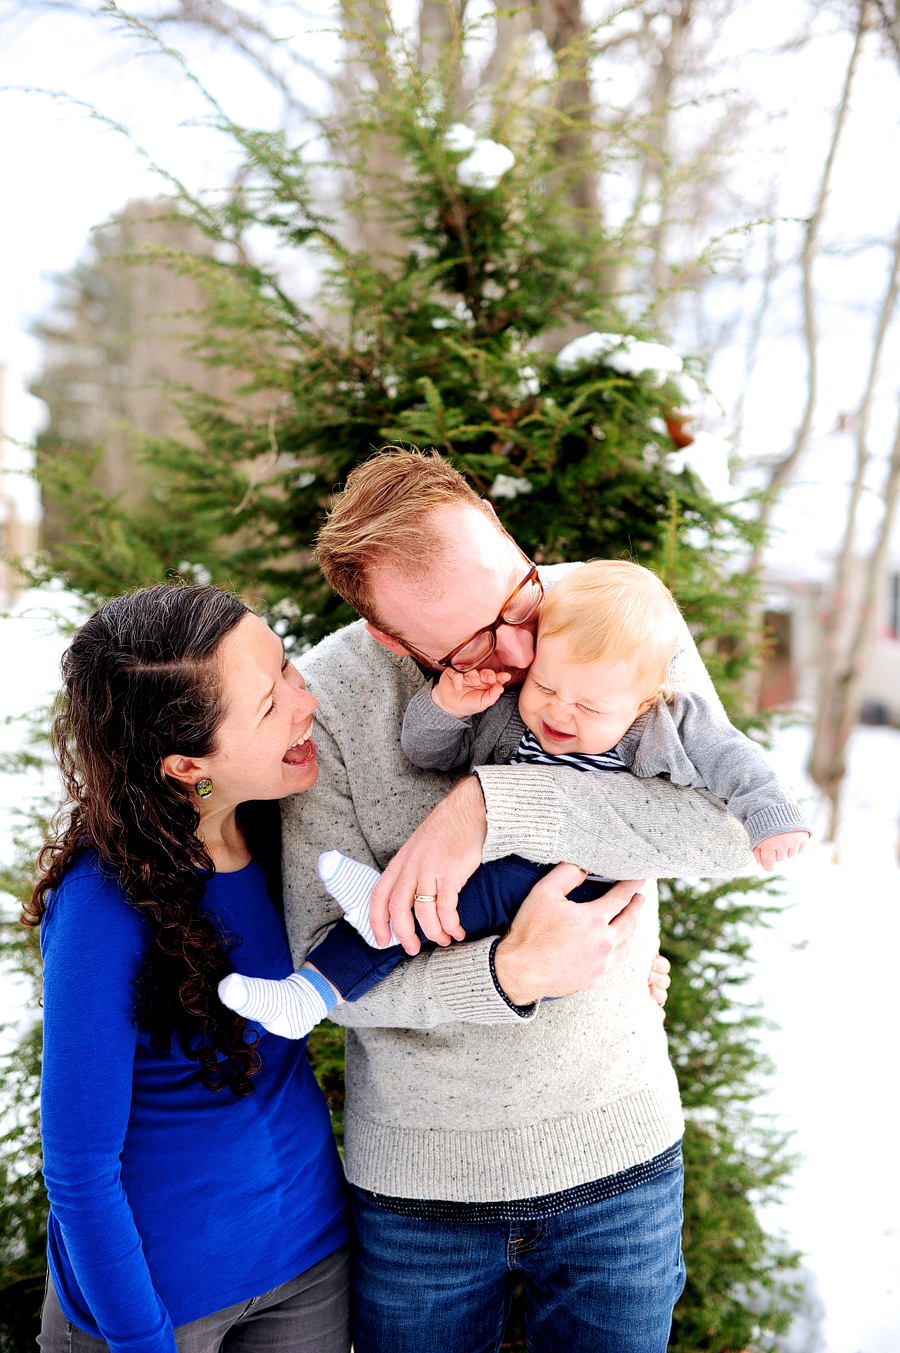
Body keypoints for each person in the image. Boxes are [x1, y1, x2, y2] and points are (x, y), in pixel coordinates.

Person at [277, 448, 762, 1353]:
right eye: (468, 643)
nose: (519, 649)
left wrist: (495, 806)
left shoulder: (611, 612)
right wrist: (509, 972)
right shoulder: (333, 700)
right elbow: (324, 968)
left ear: (504, 534)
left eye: (517, 599)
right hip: (420, 1198)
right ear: (392, 640)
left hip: (620, 1162)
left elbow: (729, 832)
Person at [220, 559, 809, 1039]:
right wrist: (449, 707)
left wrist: (773, 818)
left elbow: (735, 763)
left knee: (424, 913)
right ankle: (322, 979)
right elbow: (429, 751)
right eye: (547, 687)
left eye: (591, 708)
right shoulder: (516, 718)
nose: (559, 713)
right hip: (504, 870)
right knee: (433, 906)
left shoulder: (662, 725)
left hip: (575, 881)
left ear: (646, 699)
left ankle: (357, 940)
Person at [24, 584, 352, 1353]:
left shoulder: (289, 829)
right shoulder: (101, 905)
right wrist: (140, 1339)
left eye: (289, 670)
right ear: (185, 765)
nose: (308, 703)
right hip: (154, 1302)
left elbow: (414, 914)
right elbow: (78, 1165)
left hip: (310, 1263)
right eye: (271, 704)